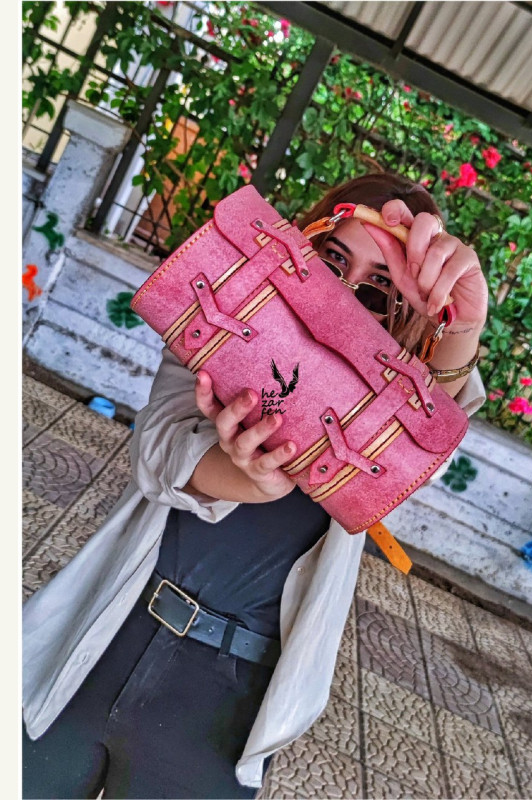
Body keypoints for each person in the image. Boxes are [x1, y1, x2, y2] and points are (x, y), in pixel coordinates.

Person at [22, 171, 488, 799]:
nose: (342, 293)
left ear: (406, 320)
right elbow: (157, 452)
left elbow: (430, 435)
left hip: (227, 700)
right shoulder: (223, 318)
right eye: (331, 260)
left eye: (380, 289)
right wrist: (246, 475)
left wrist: (462, 325)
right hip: (109, 628)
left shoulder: (386, 423)